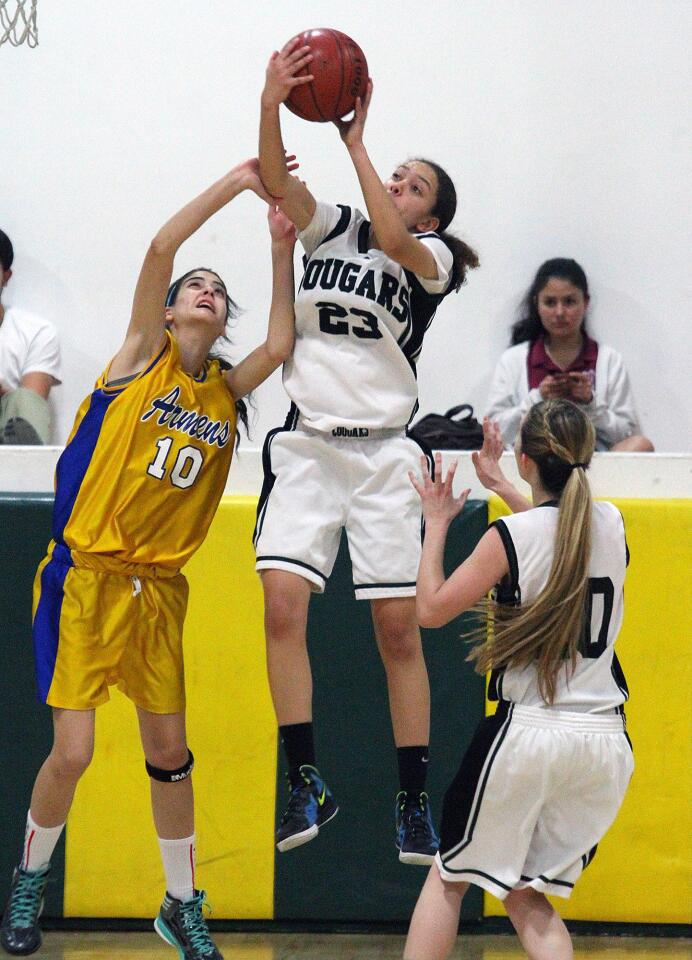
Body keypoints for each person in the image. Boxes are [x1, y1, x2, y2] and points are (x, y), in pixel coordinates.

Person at [0, 158, 297, 960]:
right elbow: (164, 244)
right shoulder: (139, 356)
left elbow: (280, 340)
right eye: (193, 286)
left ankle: (179, 904)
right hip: (84, 577)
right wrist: (240, 182)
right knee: (75, 750)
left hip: (160, 591)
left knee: (170, 755)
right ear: (167, 310)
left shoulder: (226, 393)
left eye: (215, 290)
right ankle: (28, 883)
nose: (204, 292)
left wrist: (280, 246)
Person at [255, 39, 479, 864]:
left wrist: (356, 143)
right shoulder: (335, 228)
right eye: (397, 174)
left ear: (432, 217)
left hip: (386, 453)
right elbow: (276, 182)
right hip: (310, 447)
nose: (396, 185)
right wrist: (273, 98)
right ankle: (303, 778)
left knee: (396, 630)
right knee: (281, 607)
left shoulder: (435, 261)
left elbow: (390, 235)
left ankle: (413, 799)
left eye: (413, 185)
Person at [403, 401, 634, 960]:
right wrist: (507, 484)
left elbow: (431, 609)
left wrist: (436, 524)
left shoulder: (508, 536)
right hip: (604, 745)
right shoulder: (611, 524)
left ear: (526, 458)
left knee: (449, 877)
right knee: (527, 894)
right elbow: (558, 536)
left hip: (529, 735)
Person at [485, 257, 654, 451]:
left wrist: (590, 403)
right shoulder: (514, 360)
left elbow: (627, 433)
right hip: (534, 464)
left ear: (586, 302)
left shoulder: (608, 360)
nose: (559, 312)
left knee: (641, 445)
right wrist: (538, 398)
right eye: (550, 302)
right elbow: (493, 430)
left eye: (569, 302)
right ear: (536, 304)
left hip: (590, 467)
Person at [0, 229, 62, 445]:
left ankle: (22, 472)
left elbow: (30, 404)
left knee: (23, 400)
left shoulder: (36, 332)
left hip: (5, 438)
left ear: (6, 276)